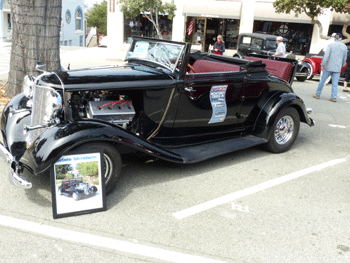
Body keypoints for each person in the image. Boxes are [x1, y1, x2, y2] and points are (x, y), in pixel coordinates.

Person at [313, 33, 347, 102]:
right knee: (335, 83)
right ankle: (333, 97)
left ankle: (317, 94)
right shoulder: (344, 46)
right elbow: (344, 58)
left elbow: (326, 56)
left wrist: (323, 64)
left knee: (322, 81)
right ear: (341, 38)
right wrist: (342, 65)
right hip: (337, 67)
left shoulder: (330, 45)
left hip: (328, 66)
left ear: (334, 38)